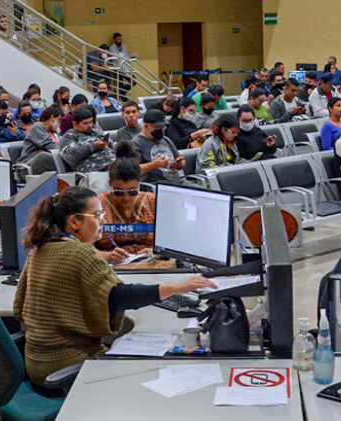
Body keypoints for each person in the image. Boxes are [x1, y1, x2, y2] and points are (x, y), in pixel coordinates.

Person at [13, 186, 215, 386]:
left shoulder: (40, 249)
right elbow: (120, 296)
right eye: (98, 214)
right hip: (65, 364)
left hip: (37, 362)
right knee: (152, 371)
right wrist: (178, 287)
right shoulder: (78, 253)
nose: (103, 220)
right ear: (75, 221)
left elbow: (20, 305)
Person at [95, 142, 155, 258]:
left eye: (132, 192)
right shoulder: (98, 205)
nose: (126, 198)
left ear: (139, 185)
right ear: (110, 184)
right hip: (111, 264)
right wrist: (106, 255)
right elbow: (85, 248)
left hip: (149, 261)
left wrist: (153, 251)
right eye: (118, 192)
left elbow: (170, 242)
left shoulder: (152, 202)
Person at [133, 109, 184, 183]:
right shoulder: (135, 144)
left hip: (177, 181)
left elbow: (180, 160)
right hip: (157, 185)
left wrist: (179, 164)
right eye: (157, 127)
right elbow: (133, 171)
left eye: (163, 126)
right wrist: (155, 165)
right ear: (146, 126)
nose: (161, 129)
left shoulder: (166, 139)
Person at [60, 108, 114, 172]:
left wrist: (107, 143)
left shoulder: (95, 132)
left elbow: (111, 146)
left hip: (112, 164)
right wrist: (93, 146)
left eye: (91, 122)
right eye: (85, 123)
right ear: (75, 124)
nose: (90, 125)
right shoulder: (68, 137)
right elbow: (71, 156)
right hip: (92, 171)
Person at [18, 106, 63, 174]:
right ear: (52, 117)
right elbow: (52, 147)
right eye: (59, 120)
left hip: (43, 167)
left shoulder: (53, 132)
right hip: (27, 168)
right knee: (44, 156)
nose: (60, 123)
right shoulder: (37, 127)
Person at [108, 33, 135, 102]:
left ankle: (121, 93)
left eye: (120, 39)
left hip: (126, 68)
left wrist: (131, 57)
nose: (119, 40)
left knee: (134, 81)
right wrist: (125, 58)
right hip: (117, 69)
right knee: (120, 84)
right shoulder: (112, 48)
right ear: (114, 40)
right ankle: (121, 96)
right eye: (118, 39)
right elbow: (117, 58)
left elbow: (126, 56)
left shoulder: (124, 46)